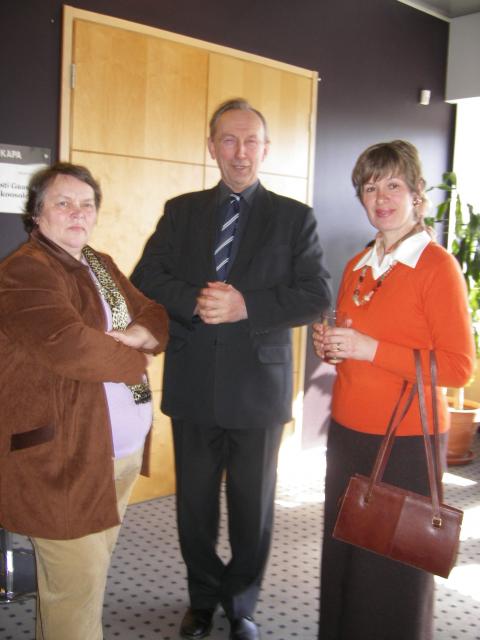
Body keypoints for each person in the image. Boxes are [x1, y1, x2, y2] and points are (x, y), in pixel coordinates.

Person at [131, 98, 331, 640]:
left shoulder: (295, 218)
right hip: (194, 384)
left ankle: (241, 603)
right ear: (211, 147)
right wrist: (196, 302)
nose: (240, 152)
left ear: (265, 149)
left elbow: (316, 294)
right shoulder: (182, 211)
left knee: (252, 509)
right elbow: (146, 276)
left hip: (258, 390)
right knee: (194, 507)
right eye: (228, 140)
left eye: (250, 141)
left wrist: (248, 306)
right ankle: (201, 600)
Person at [312, 140, 475, 640]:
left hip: (406, 442)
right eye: (369, 187)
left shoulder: (437, 266)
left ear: (417, 193)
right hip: (348, 435)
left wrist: (370, 349)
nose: (380, 197)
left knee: (392, 574)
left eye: (393, 185)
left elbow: (459, 367)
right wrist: (332, 348)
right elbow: (354, 348)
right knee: (345, 559)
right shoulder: (358, 265)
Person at [0, 162, 169, 640]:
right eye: (63, 203)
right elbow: (69, 346)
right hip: (65, 461)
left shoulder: (98, 262)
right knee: (74, 599)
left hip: (115, 455)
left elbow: (154, 312)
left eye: (87, 204)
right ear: (37, 214)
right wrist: (138, 355)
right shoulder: (24, 270)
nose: (78, 213)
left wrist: (143, 332)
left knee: (78, 587)